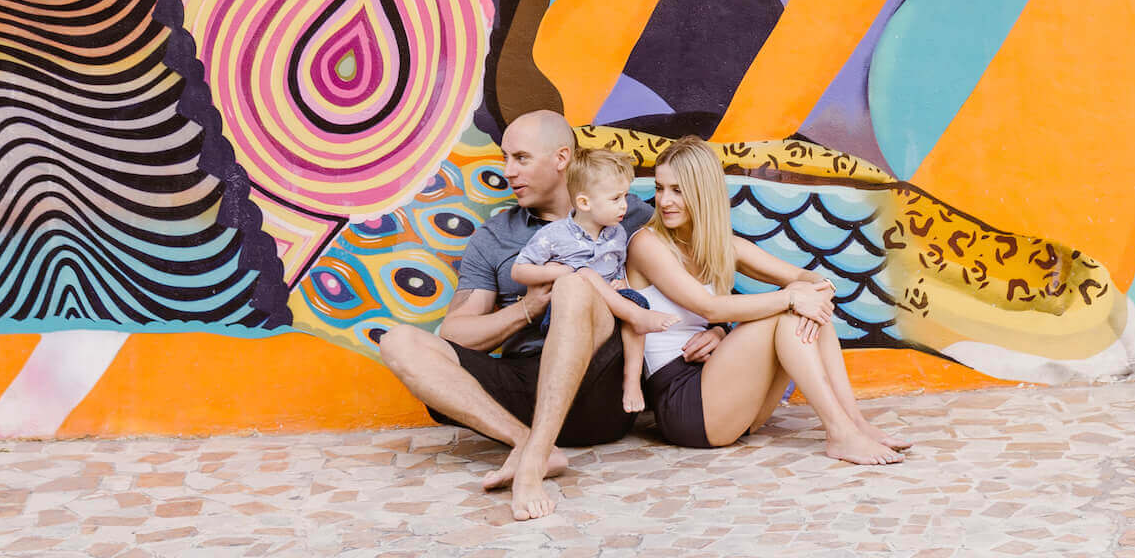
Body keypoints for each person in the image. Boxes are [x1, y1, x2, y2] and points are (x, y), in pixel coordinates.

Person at [376, 110, 728, 521]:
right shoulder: (495, 237)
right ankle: (531, 444)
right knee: (398, 341)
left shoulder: (627, 213)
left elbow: (705, 266)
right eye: (506, 159)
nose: (508, 171)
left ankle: (529, 462)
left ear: (561, 158)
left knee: (576, 285)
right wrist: (529, 307)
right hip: (522, 382)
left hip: (599, 385)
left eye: (521, 158)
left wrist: (720, 327)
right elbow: (457, 333)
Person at [627, 135, 913, 465]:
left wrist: (808, 294)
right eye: (660, 188)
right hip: (684, 406)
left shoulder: (724, 249)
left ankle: (855, 424)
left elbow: (816, 282)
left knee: (807, 307)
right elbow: (708, 307)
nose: (664, 201)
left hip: (733, 404)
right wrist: (792, 297)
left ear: (703, 192)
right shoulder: (647, 244)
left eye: (677, 190)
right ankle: (840, 434)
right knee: (791, 308)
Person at [510, 147, 671, 415]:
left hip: (609, 309)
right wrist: (560, 272)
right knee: (585, 275)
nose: (625, 205)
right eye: (616, 198)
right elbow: (519, 270)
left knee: (635, 299)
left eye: (625, 196)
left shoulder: (617, 234)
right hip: (566, 313)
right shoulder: (554, 235)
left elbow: (618, 268)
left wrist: (621, 283)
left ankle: (632, 382)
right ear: (584, 203)